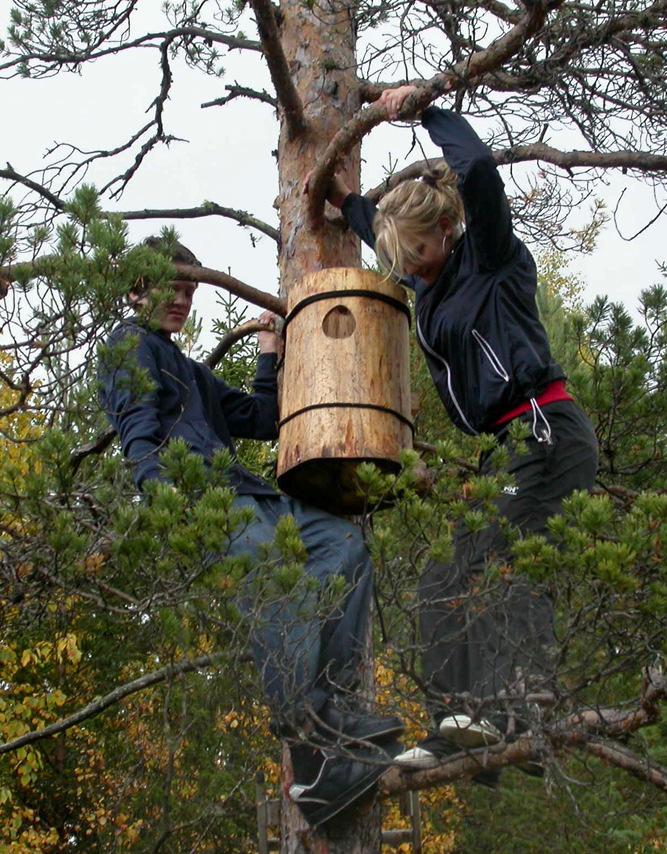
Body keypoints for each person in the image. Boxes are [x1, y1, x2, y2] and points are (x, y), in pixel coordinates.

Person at [307, 86, 598, 777]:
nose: (404, 268)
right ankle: (456, 721)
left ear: (443, 233)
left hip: (543, 430)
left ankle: (520, 712)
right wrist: (341, 201)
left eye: (413, 253)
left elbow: (477, 171)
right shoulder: (427, 279)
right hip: (501, 449)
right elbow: (382, 220)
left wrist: (421, 111)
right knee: (444, 572)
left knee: (510, 564)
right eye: (396, 257)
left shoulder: (487, 256)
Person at [98, 236, 403, 827]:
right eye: (169, 287)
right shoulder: (127, 346)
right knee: (277, 584)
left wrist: (269, 353)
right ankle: (312, 756)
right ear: (135, 290)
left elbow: (263, 418)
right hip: (206, 502)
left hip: (256, 498)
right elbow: (138, 427)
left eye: (190, 288)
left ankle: (333, 733)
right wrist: (162, 496)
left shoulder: (189, 371)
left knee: (345, 548)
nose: (182, 299)